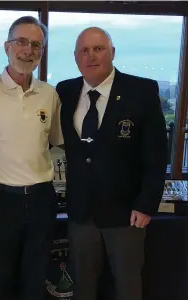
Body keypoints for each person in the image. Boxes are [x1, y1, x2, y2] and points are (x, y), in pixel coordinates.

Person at [56, 27, 167, 300]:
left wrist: (146, 204)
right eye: (84, 50)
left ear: (112, 52)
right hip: (81, 213)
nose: (91, 56)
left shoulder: (141, 91)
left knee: (127, 287)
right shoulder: (65, 91)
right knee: (82, 287)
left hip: (126, 215)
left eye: (98, 49)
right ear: (75, 57)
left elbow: (156, 154)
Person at [0, 16, 63, 300]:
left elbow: (54, 140)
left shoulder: (49, 94)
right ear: (6, 46)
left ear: (41, 53)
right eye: (21, 42)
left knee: (36, 277)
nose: (27, 50)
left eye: (36, 45)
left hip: (42, 198)